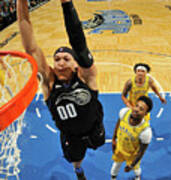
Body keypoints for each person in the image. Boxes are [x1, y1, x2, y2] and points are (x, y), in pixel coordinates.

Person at [17, 0, 105, 180]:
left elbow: (79, 44)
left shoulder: (86, 77)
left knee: (100, 143)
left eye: (66, 58)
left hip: (94, 129)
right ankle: (79, 171)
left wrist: (67, 4)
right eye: (56, 59)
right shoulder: (49, 82)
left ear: (76, 65)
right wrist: (21, 2)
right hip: (71, 136)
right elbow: (30, 47)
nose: (61, 62)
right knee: (76, 160)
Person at [110, 96, 153, 180]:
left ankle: (137, 177)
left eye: (141, 109)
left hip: (132, 154)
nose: (136, 109)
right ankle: (113, 178)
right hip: (120, 149)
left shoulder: (146, 131)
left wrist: (132, 165)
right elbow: (118, 124)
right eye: (136, 106)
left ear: (145, 114)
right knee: (115, 165)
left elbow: (141, 152)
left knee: (136, 170)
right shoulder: (124, 112)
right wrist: (113, 139)